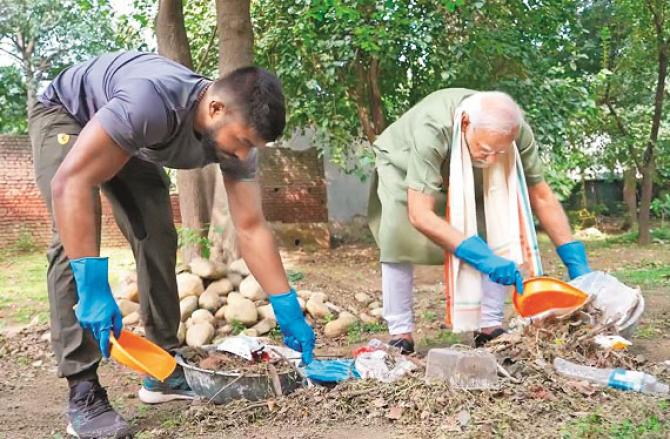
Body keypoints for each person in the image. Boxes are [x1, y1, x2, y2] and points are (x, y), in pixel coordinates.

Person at [29, 51, 315, 439]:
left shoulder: (235, 139)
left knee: (158, 233)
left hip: (128, 137)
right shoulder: (151, 101)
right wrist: (92, 286)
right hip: (68, 113)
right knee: (73, 242)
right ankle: (83, 390)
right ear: (215, 108)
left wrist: (285, 304)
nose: (244, 155)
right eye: (244, 142)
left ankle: (161, 367)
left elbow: (250, 226)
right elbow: (71, 184)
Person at [367, 88, 591, 354]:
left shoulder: (516, 133)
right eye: (486, 149)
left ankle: (489, 326)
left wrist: (575, 260)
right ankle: (400, 333)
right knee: (397, 238)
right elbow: (420, 214)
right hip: (404, 166)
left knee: (498, 224)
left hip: (467, 172)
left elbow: (541, 195)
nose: (493, 159)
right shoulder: (433, 128)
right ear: (465, 125)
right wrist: (481, 257)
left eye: (501, 152)